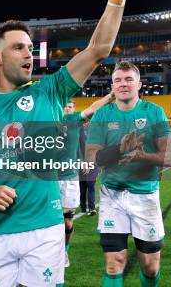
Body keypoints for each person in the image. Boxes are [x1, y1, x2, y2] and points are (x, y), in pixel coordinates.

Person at [0, 0, 135, 287]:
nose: (28, 54)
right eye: (18, 48)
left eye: (30, 48)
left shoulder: (50, 91)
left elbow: (98, 49)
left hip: (45, 232)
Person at [86, 61, 171, 287]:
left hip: (145, 195)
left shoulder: (154, 112)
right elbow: (92, 158)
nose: (123, 84)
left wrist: (141, 156)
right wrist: (121, 150)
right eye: (117, 80)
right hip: (112, 196)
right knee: (114, 262)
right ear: (113, 86)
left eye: (128, 79)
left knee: (149, 264)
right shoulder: (102, 115)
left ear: (139, 84)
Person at [60, 93, 113, 268]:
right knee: (50, 220)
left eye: (70, 106)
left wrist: (111, 96)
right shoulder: (48, 120)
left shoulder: (75, 122)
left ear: (74, 109)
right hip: (48, 179)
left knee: (67, 219)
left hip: (69, 178)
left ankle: (65, 250)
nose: (67, 108)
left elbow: (93, 108)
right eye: (65, 105)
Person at [79, 120, 98, 215]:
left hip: (93, 163)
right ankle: (82, 206)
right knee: (82, 186)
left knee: (90, 183)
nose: (88, 123)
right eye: (86, 122)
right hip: (81, 162)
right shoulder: (79, 132)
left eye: (90, 121)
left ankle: (92, 208)